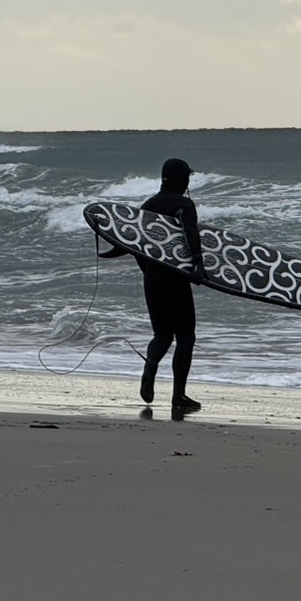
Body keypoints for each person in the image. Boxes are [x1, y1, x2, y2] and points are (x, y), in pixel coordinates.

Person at [102, 157, 207, 413]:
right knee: (185, 336)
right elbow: (190, 232)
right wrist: (198, 264)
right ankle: (178, 395)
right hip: (175, 279)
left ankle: (150, 367)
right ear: (183, 179)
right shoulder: (183, 204)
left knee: (162, 334)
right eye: (187, 178)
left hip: (152, 279)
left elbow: (134, 245)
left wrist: (149, 272)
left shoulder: (148, 206)